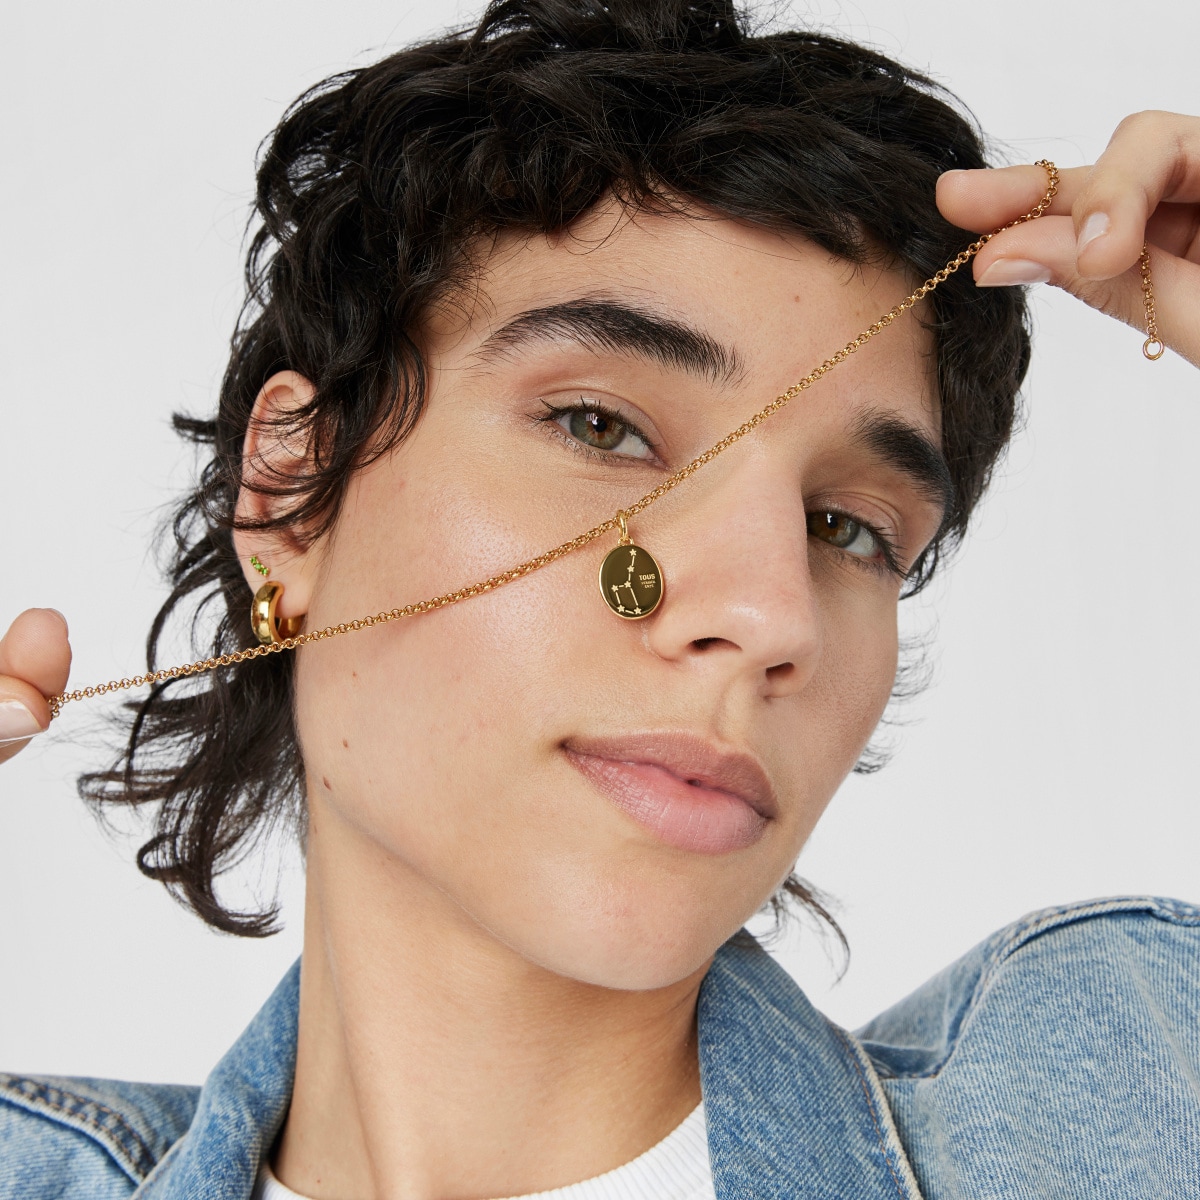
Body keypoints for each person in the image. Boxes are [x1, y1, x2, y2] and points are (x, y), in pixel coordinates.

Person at [1, 1, 1198, 1196]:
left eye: (846, 528)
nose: (771, 617)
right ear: (294, 494)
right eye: (601, 428)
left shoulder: (1130, 1107)